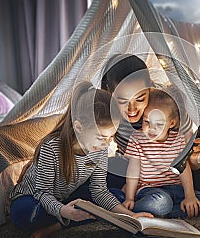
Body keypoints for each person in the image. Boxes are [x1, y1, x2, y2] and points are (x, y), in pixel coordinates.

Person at [9, 81, 152, 238]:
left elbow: (99, 191)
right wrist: (63, 210)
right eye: (101, 137)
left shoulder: (100, 150)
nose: (107, 143)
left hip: (65, 198)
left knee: (116, 198)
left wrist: (129, 216)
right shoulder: (51, 148)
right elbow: (42, 192)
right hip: (33, 198)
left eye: (111, 136)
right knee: (29, 214)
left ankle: (58, 225)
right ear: (78, 127)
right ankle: (66, 217)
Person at [101, 54, 200, 202]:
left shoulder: (170, 104)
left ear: (150, 87)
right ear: (109, 91)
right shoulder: (104, 107)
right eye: (122, 100)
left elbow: (190, 165)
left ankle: (158, 199)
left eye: (140, 99)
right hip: (132, 169)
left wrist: (195, 159)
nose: (132, 109)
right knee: (88, 177)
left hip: (173, 171)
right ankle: (152, 198)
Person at [115, 88, 200, 218]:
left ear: (171, 123)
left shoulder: (179, 138)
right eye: (147, 122)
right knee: (161, 202)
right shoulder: (137, 139)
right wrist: (130, 197)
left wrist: (190, 196)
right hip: (149, 190)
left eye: (159, 124)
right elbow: (133, 170)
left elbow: (184, 168)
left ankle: (164, 213)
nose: (151, 128)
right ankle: (131, 209)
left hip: (175, 188)